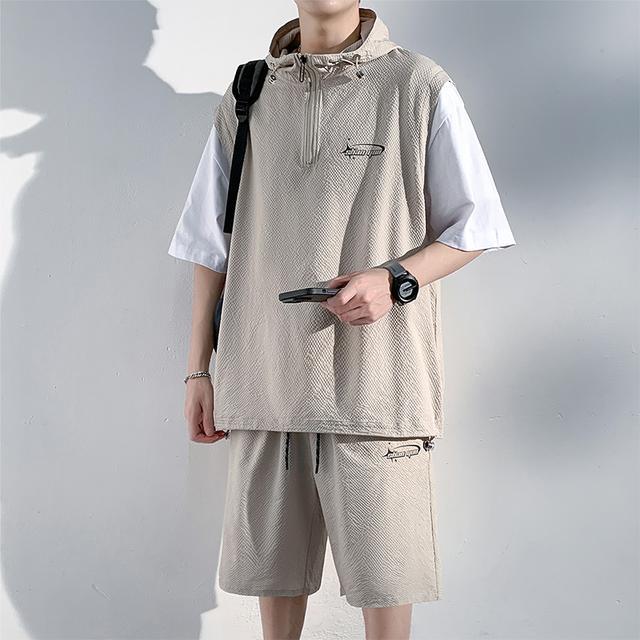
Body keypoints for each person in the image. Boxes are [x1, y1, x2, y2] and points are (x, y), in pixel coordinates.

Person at [168, 2, 516, 638]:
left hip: (377, 388)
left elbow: (477, 224)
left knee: (387, 590)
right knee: (272, 588)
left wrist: (395, 279)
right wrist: (198, 370)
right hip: (265, 384)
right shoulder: (248, 93)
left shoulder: (416, 84)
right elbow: (208, 245)